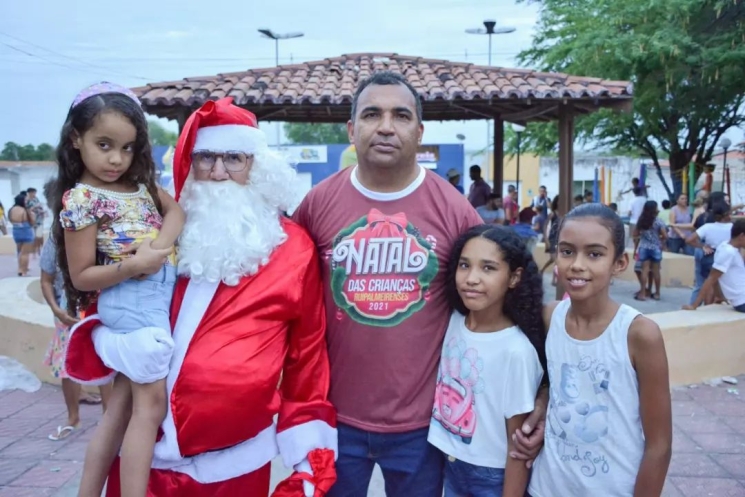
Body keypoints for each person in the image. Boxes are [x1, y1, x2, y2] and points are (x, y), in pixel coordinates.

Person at [64, 96, 337, 497]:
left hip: (235, 469)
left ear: (256, 166)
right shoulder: (155, 232)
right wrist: (114, 344)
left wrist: (308, 451)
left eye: (234, 158)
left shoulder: (293, 248)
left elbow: (307, 356)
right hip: (143, 464)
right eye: (206, 158)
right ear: (189, 164)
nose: (219, 172)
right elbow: (105, 301)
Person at [292, 71, 546, 497]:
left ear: (419, 131)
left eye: (400, 115)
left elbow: (511, 295)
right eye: (372, 114)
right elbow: (282, 296)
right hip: (333, 417)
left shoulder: (453, 209)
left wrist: (541, 396)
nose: (385, 126)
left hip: (424, 425)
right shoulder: (318, 203)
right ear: (352, 130)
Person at [52, 82, 183, 497]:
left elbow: (177, 212)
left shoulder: (140, 186)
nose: (116, 159)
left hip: (148, 299)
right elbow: (81, 276)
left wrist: (157, 249)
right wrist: (133, 266)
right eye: (104, 145)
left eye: (127, 148)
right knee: (150, 409)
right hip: (132, 302)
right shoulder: (82, 199)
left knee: (121, 410)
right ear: (76, 139)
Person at [528, 203, 672, 497]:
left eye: (594, 254)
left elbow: (659, 445)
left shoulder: (638, 334)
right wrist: (542, 402)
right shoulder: (550, 316)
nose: (577, 264)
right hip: (544, 488)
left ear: (619, 263)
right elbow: (548, 378)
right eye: (567, 251)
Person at [428, 225, 546, 497]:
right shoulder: (454, 321)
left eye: (488, 268)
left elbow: (518, 446)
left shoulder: (516, 351)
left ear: (514, 277)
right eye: (464, 265)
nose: (471, 279)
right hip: (449, 462)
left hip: (490, 477)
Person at [39, 179, 112, 441]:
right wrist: (56, 310)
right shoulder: (56, 237)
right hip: (68, 313)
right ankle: (73, 418)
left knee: (106, 363)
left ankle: (110, 418)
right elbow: (46, 279)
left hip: (101, 311)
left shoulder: (105, 233)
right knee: (65, 366)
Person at [683, 219, 745, 313]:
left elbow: (717, 277)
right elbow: (712, 278)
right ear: (742, 236)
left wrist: (719, 296)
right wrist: (694, 305)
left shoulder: (724, 246)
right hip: (742, 301)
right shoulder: (728, 252)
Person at [685, 201, 732, 306]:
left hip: (710, 255)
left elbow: (689, 240)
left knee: (708, 282)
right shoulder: (732, 227)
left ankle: (704, 306)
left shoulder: (707, 227)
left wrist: (702, 246)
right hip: (726, 256)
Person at [633, 200, 667, 301]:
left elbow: (635, 234)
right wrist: (660, 240)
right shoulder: (658, 221)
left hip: (644, 247)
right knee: (656, 271)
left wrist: (636, 247)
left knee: (644, 270)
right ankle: (657, 293)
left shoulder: (641, 221)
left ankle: (643, 293)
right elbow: (665, 235)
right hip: (656, 247)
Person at [8, 192, 35, 276]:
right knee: (25, 253)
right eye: (25, 200)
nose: (27, 202)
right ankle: (23, 271)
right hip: (26, 231)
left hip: (16, 231)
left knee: (19, 252)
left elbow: (10, 220)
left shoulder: (11, 210)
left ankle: (19, 268)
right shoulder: (25, 210)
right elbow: (32, 222)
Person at [539, 196, 561, 279]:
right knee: (554, 259)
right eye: (559, 201)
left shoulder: (564, 213)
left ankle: (544, 272)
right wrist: (546, 239)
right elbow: (545, 225)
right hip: (552, 238)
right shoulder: (553, 214)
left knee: (554, 259)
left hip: (560, 238)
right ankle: (553, 277)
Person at [25, 187, 46, 254]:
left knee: (39, 235)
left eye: (35, 193)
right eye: (33, 193)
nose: (34, 194)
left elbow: (40, 207)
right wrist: (35, 207)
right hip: (32, 220)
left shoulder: (36, 199)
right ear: (29, 193)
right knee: (34, 236)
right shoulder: (27, 200)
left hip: (39, 220)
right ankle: (35, 249)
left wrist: (42, 212)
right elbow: (27, 210)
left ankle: (40, 248)